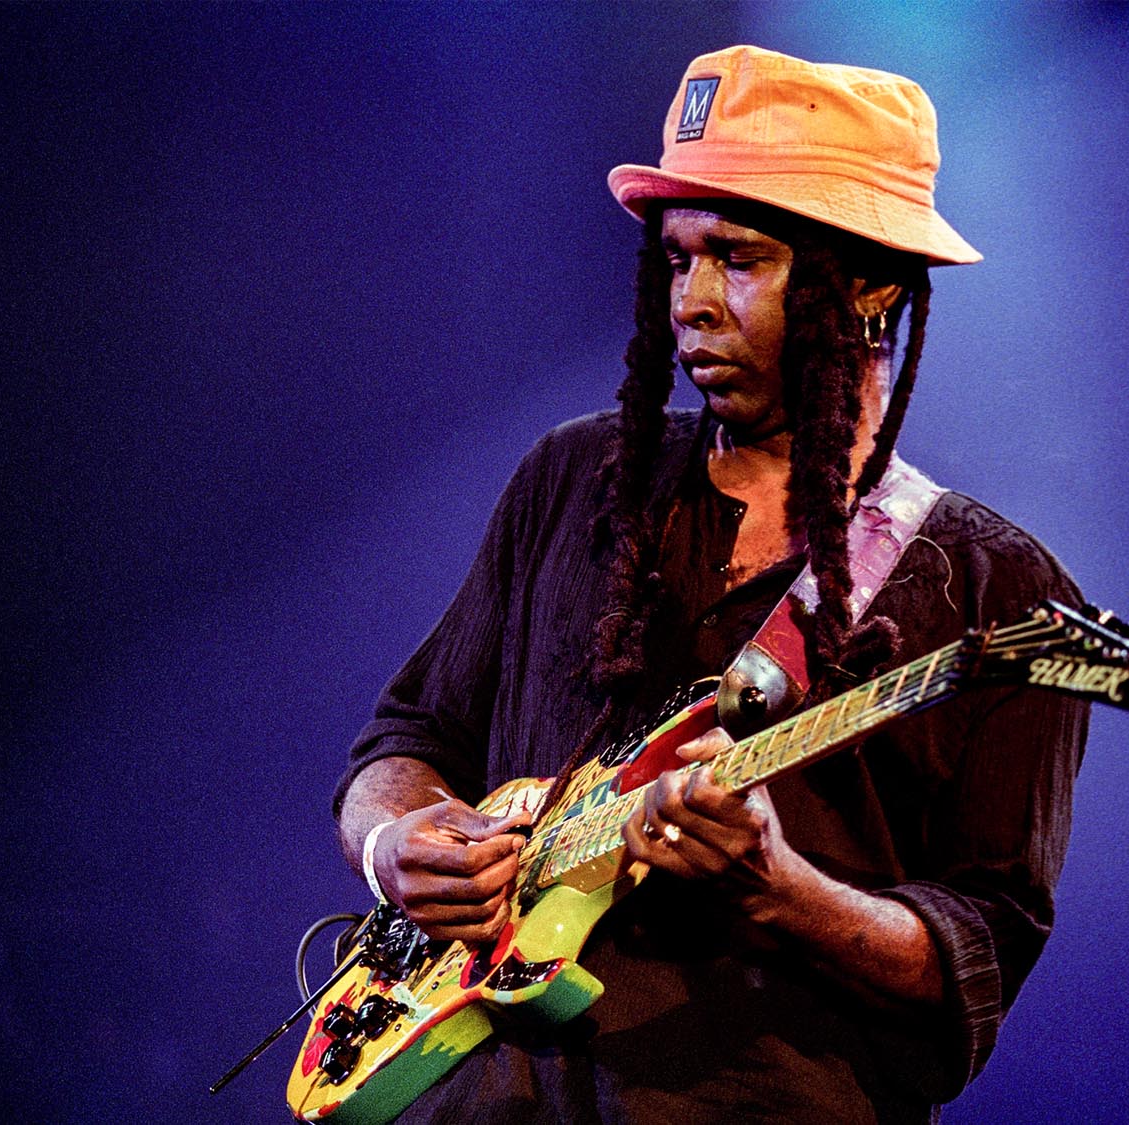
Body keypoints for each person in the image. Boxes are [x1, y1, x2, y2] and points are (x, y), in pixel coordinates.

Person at [334, 45, 1088, 1122]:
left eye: (736, 258)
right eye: (676, 259)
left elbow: (982, 949)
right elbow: (403, 742)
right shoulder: (578, 477)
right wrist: (396, 845)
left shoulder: (997, 592)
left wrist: (786, 893)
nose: (689, 300)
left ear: (870, 283)